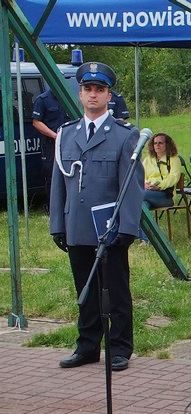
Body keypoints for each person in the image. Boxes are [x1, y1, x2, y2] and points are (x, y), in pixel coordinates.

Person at [50, 61, 144, 372]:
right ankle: (88, 346)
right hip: (77, 226)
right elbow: (59, 184)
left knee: (115, 290)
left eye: (99, 90)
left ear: (109, 96)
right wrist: (57, 225)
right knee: (85, 290)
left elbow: (132, 186)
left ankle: (119, 348)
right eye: (88, 89)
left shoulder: (123, 135)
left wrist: (127, 228)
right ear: (79, 94)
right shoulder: (66, 134)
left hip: (109, 228)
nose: (93, 95)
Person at [32, 88, 70, 210]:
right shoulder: (43, 100)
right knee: (51, 175)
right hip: (51, 144)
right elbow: (36, 122)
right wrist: (54, 135)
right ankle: (53, 207)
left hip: (70, 143)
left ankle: (68, 206)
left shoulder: (70, 98)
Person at [142, 133, 181, 209]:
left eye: (160, 143)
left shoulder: (174, 159)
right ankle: (145, 221)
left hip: (166, 195)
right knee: (144, 205)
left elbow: (173, 177)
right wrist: (145, 184)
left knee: (139, 194)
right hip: (148, 191)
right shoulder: (147, 160)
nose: (157, 145)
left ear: (167, 145)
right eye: (155, 143)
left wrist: (159, 186)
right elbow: (141, 176)